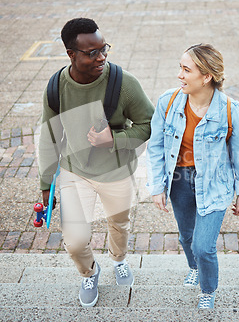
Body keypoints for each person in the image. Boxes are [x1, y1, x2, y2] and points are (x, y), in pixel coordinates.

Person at [37, 18, 155, 308]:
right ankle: (90, 272)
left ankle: (118, 259)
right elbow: (49, 137)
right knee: (75, 241)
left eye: (104, 49)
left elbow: (149, 124)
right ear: (71, 55)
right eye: (92, 52)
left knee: (119, 224)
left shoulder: (124, 83)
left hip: (117, 173)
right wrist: (45, 185)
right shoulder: (55, 88)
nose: (101, 57)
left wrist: (113, 140)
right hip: (74, 172)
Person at [146, 43, 239, 309]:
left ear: (206, 76)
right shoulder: (168, 102)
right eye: (180, 68)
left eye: (186, 70)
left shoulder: (230, 110)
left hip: (214, 184)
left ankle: (208, 288)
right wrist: (157, 186)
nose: (180, 75)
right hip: (179, 182)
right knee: (187, 238)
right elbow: (156, 146)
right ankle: (194, 267)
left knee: (203, 246)